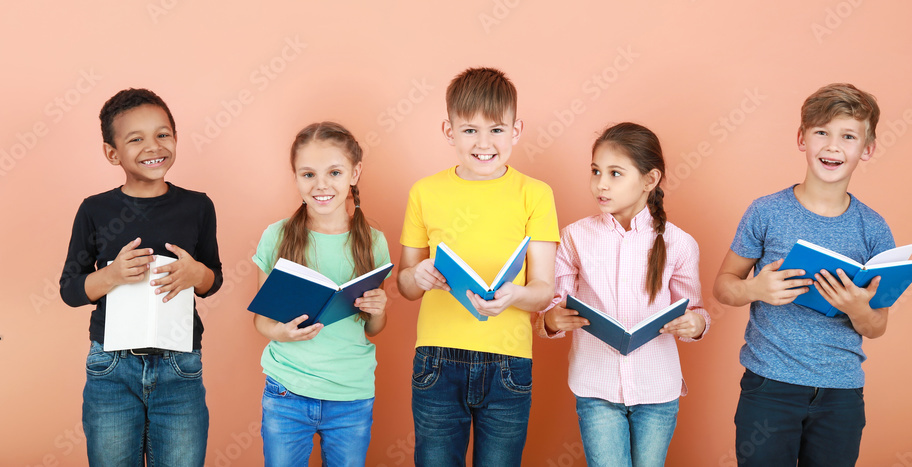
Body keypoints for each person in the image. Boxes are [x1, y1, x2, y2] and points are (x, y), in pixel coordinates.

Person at [713, 83, 895, 467]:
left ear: (867, 148)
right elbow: (723, 287)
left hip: (842, 394)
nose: (833, 146)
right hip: (769, 389)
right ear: (802, 139)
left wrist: (857, 308)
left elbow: (877, 326)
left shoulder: (874, 229)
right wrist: (755, 288)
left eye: (848, 136)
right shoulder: (766, 212)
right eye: (821, 133)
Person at [396, 66, 559, 466]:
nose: (484, 143)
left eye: (497, 130)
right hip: (436, 360)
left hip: (509, 363)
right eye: (469, 130)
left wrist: (517, 294)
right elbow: (405, 283)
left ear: (516, 130)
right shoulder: (425, 191)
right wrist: (417, 276)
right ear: (449, 131)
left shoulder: (535, 195)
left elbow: (543, 290)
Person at [59, 88, 223, 467]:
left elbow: (213, 278)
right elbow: (70, 289)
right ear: (112, 153)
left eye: (163, 134)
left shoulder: (197, 206)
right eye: (136, 139)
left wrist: (196, 273)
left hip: (180, 365)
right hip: (111, 367)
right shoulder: (95, 210)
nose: (154, 146)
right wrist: (112, 275)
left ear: (176, 138)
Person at [538, 122, 709, 467]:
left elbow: (697, 311)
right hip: (595, 388)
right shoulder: (574, 237)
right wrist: (552, 320)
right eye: (596, 171)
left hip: (658, 389)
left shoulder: (680, 243)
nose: (600, 184)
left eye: (615, 173)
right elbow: (554, 304)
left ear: (650, 180)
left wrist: (696, 324)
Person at [252, 122, 389, 467]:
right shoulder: (276, 236)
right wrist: (281, 332)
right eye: (308, 174)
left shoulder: (374, 242)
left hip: (351, 394)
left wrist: (379, 309)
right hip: (287, 391)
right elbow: (261, 319)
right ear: (295, 177)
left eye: (334, 172)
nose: (321, 185)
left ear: (354, 173)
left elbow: (373, 328)